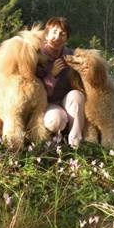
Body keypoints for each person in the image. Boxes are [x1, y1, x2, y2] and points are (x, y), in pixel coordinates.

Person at [36, 17, 85, 148]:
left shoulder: (70, 55)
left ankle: (75, 141)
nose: (57, 37)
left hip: (67, 101)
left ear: (67, 38)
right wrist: (52, 75)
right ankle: (55, 139)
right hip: (47, 104)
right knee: (56, 120)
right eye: (54, 32)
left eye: (62, 34)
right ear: (46, 33)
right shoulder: (37, 55)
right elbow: (35, 91)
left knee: (77, 95)